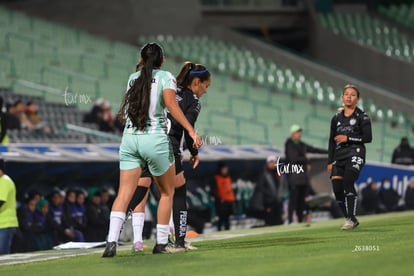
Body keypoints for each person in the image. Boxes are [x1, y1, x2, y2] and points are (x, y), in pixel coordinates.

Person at [102, 43, 202, 257]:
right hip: (154, 139)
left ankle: (111, 242)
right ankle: (161, 243)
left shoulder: (132, 78)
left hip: (129, 138)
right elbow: (171, 106)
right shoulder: (166, 77)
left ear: (142, 58)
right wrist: (191, 131)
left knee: (123, 193)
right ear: (162, 60)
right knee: (167, 192)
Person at [129, 61, 211, 252]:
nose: (206, 91)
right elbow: (186, 127)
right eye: (206, 86)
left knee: (140, 188)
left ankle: (114, 233)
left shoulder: (170, 89)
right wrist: (194, 152)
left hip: (145, 140)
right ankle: (176, 242)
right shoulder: (193, 101)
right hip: (167, 146)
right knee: (177, 192)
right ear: (197, 82)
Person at [327, 84, 372, 230]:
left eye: (352, 94)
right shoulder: (336, 118)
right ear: (342, 97)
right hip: (339, 156)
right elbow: (331, 141)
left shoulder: (362, 117)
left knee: (348, 180)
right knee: (337, 189)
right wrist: (330, 161)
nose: (349, 96)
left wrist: (348, 138)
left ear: (357, 99)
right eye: (346, 94)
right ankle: (349, 218)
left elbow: (368, 138)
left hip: (356, 152)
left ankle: (351, 219)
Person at [285, 124, 328, 224]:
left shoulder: (301, 145)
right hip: (294, 176)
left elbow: (314, 150)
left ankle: (300, 220)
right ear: (292, 134)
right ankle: (290, 220)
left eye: (300, 132)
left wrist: (328, 152)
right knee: (293, 199)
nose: (299, 134)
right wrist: (306, 160)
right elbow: (293, 158)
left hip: (303, 178)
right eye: (297, 132)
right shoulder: (289, 145)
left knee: (301, 200)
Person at [256, 155, 284, 225]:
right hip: (268, 202)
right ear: (267, 163)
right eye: (271, 162)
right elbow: (261, 188)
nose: (273, 164)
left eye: (274, 162)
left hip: (278, 202)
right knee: (270, 222)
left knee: (279, 222)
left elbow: (283, 186)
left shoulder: (279, 173)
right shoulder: (264, 174)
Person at [0, 159, 18, 255]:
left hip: (5, 223)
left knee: (2, 254)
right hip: (2, 223)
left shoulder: (4, 181)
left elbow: (1, 201)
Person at [213, 162, 236, 231]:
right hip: (221, 201)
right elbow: (213, 190)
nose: (225, 170)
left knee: (227, 218)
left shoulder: (228, 177)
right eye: (223, 169)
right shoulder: (216, 178)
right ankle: (219, 230)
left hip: (229, 200)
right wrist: (219, 198)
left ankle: (227, 230)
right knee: (221, 218)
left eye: (226, 169)